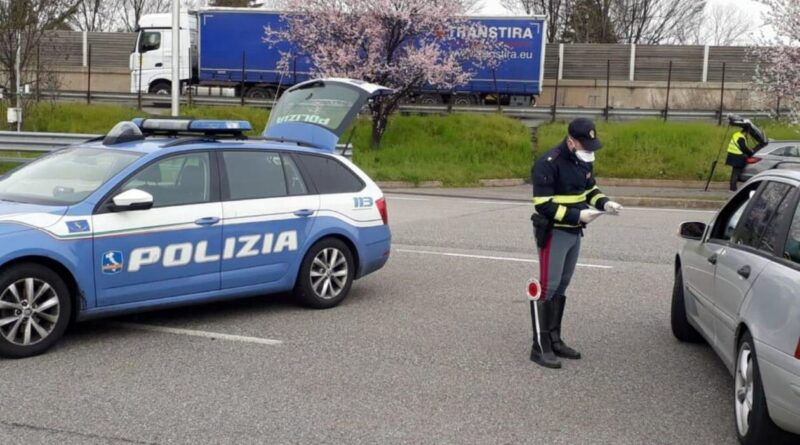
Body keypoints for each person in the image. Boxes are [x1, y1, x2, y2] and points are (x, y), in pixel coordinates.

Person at [529, 118, 622, 369]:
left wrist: (605, 203)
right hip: (555, 231)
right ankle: (540, 345)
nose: (589, 150)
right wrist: (576, 215)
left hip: (575, 231)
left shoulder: (583, 160)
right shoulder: (548, 164)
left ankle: (555, 339)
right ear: (571, 140)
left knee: (563, 284)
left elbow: (590, 190)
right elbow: (543, 205)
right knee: (548, 286)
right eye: (585, 144)